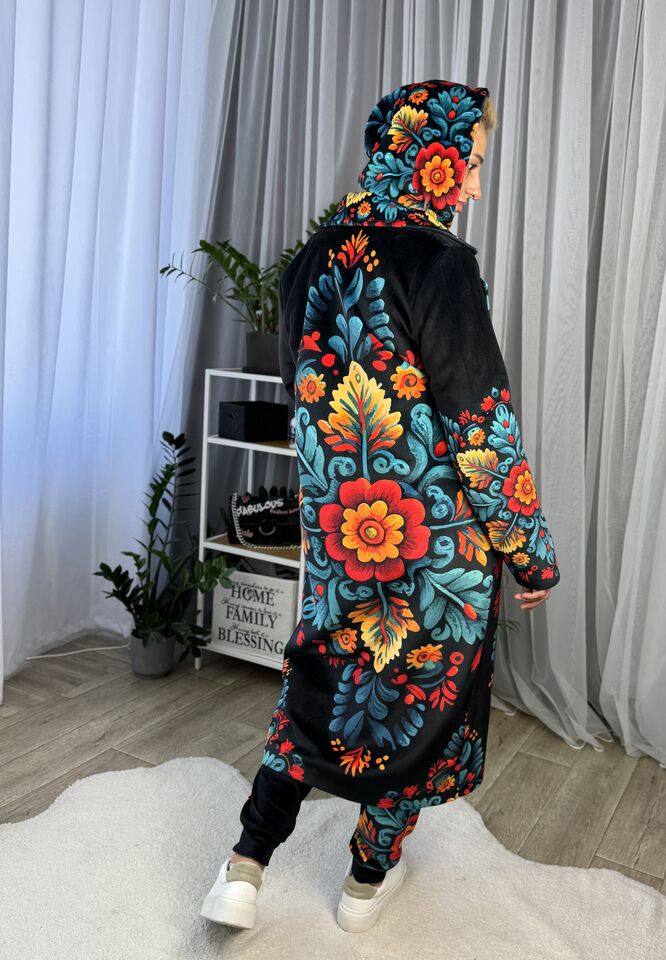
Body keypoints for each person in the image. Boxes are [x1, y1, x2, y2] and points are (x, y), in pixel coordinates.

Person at [200, 78, 559, 934]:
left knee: (318, 689)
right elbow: (482, 425)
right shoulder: (439, 261)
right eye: (471, 163)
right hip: (438, 548)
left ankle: (245, 865)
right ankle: (367, 879)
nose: (475, 186)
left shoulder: (308, 262)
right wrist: (529, 551)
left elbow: (306, 407)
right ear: (431, 156)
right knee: (422, 701)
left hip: (343, 536)